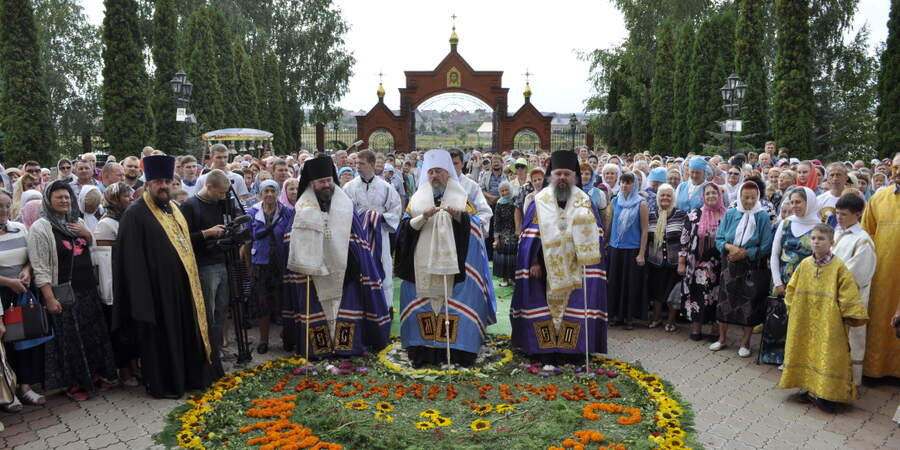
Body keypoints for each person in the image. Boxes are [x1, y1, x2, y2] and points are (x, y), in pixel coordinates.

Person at [113, 155, 216, 398]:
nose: (164, 186)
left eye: (167, 181)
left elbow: (184, 244)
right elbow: (130, 263)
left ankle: (191, 378)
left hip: (183, 288)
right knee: (162, 341)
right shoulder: (135, 214)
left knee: (185, 335)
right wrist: (143, 299)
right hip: (155, 294)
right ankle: (167, 384)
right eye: (158, 181)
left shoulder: (174, 209)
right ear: (147, 183)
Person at [395, 149, 496, 367]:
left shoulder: (463, 196)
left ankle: (459, 352)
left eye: (439, 171)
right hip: (422, 267)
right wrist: (422, 217)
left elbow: (479, 226)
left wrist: (460, 217)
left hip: (457, 269)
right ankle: (423, 351)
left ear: (448, 173)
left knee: (460, 296)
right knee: (414, 294)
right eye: (430, 172)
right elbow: (404, 229)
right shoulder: (417, 199)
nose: (434, 176)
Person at [284, 156, 390, 358]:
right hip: (313, 272)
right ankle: (319, 350)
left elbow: (359, 239)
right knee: (316, 311)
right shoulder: (301, 209)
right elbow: (291, 239)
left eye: (328, 180)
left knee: (346, 310)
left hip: (345, 268)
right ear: (311, 184)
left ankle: (347, 348)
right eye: (321, 182)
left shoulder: (345, 205)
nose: (326, 185)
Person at [510, 150, 605, 363]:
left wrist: (586, 260)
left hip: (577, 269)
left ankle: (573, 350)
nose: (562, 178)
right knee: (542, 307)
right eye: (558, 174)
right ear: (551, 176)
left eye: (567, 174)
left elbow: (597, 236)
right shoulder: (539, 201)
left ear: (575, 177)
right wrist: (533, 261)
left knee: (574, 309)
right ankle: (542, 350)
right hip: (543, 270)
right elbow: (528, 237)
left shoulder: (585, 202)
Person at [27, 180, 116, 401]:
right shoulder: (41, 227)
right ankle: (75, 384)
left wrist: (87, 234)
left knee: (92, 335)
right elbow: (39, 265)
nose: (64, 200)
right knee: (70, 341)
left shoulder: (75, 221)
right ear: (48, 200)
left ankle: (95, 375)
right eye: (59, 197)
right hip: (63, 291)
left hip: (88, 289)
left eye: (67, 197)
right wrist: (48, 297)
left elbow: (94, 250)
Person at [779, 224, 867, 411]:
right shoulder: (804, 265)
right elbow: (792, 289)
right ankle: (809, 390)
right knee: (805, 350)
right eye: (813, 238)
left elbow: (848, 293)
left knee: (829, 355)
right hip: (804, 320)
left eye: (821, 239)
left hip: (830, 323)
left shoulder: (839, 268)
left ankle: (827, 395)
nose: (816, 242)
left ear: (831, 242)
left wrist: (851, 315)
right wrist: (792, 308)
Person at [179, 169, 238, 375]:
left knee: (221, 310)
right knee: (209, 312)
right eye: (220, 192)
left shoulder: (221, 203)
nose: (223, 196)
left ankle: (217, 350)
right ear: (209, 186)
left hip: (223, 262)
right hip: (204, 266)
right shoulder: (190, 206)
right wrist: (208, 233)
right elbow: (183, 238)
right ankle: (207, 354)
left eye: (225, 193)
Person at [713, 181, 773, 357]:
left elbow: (766, 245)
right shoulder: (731, 213)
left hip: (751, 267)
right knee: (725, 302)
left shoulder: (762, 216)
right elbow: (719, 238)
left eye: (753, 198)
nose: (749, 201)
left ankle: (745, 343)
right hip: (730, 264)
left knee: (749, 303)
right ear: (739, 196)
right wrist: (729, 248)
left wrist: (747, 253)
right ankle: (722, 339)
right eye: (746, 197)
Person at [0, 190, 45, 410]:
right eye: (0, 205)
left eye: (7, 205)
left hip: (23, 291)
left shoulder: (19, 228)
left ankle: (26, 387)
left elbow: (30, 255)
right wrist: (8, 282)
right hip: (2, 296)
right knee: (6, 343)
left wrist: (27, 271)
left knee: (26, 340)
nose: (4, 210)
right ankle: (9, 390)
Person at [92, 182, 138, 387]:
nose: (130, 199)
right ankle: (125, 372)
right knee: (121, 332)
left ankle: (136, 366)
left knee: (133, 329)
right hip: (115, 287)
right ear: (115, 199)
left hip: (130, 282)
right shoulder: (106, 224)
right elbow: (106, 260)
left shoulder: (126, 218)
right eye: (126, 196)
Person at [342, 150, 402, 310]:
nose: (357, 167)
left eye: (361, 164)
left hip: (379, 236)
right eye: (356, 164)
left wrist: (379, 218)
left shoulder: (386, 187)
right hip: (356, 238)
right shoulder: (349, 187)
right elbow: (342, 211)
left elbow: (396, 209)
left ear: (371, 164)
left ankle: (383, 308)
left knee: (382, 268)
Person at [860, 153, 900, 379]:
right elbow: (866, 235)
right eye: (894, 168)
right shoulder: (878, 198)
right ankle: (875, 370)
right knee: (878, 321)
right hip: (882, 273)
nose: (897, 173)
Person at [243, 180, 294, 354]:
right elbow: (248, 241)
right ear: (260, 193)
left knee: (285, 302)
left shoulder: (287, 212)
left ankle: (287, 337)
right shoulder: (252, 213)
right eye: (266, 191)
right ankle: (263, 340)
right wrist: (249, 267)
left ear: (278, 193)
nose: (270, 194)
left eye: (273, 191)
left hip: (282, 264)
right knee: (262, 303)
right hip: (261, 264)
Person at [831, 193, 876, 386]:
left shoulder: (863, 241)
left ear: (857, 214)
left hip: (850, 299)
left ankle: (848, 384)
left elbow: (855, 274)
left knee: (850, 341)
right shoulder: (837, 231)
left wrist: (829, 277)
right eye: (837, 213)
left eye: (843, 214)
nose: (839, 217)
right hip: (831, 294)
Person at [679, 183, 726, 341]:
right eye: (708, 194)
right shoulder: (694, 214)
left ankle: (715, 330)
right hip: (697, 264)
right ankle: (696, 328)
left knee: (717, 297)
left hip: (720, 264)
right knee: (697, 295)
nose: (711, 196)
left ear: (719, 195)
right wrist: (681, 261)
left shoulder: (727, 215)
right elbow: (684, 238)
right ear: (703, 196)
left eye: (714, 193)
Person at [607, 172, 648, 329]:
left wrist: (641, 253)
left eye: (629, 182)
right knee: (614, 284)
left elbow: (644, 230)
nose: (625, 185)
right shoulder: (615, 201)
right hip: (615, 248)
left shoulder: (641, 203)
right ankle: (614, 315)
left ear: (634, 184)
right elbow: (611, 224)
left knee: (629, 285)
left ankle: (628, 318)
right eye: (623, 182)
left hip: (632, 249)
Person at [647, 184, 685, 332]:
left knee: (672, 293)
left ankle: (671, 321)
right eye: (662, 195)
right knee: (657, 292)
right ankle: (656, 318)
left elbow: (685, 238)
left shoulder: (681, 214)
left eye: (668, 195)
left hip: (674, 262)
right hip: (655, 261)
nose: (665, 198)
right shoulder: (651, 215)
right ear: (658, 197)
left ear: (673, 198)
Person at [771, 187, 821, 298]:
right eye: (792, 202)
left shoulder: (819, 227)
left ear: (809, 203)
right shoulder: (786, 223)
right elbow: (774, 254)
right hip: (782, 284)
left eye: (798, 202)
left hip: (807, 286)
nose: (794, 206)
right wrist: (778, 282)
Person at [449, 149, 492, 236]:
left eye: (455, 163)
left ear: (462, 164)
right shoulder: (439, 185)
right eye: (449, 163)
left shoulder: (471, 186)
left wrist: (471, 224)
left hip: (465, 233)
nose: (452, 167)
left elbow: (485, 212)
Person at [492, 181, 517, 287]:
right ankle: (504, 278)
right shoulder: (499, 203)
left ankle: (513, 278)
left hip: (514, 232)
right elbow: (497, 221)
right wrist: (496, 238)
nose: (504, 192)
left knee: (513, 257)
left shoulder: (515, 201)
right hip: (503, 234)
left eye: (506, 190)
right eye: (502, 191)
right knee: (503, 256)